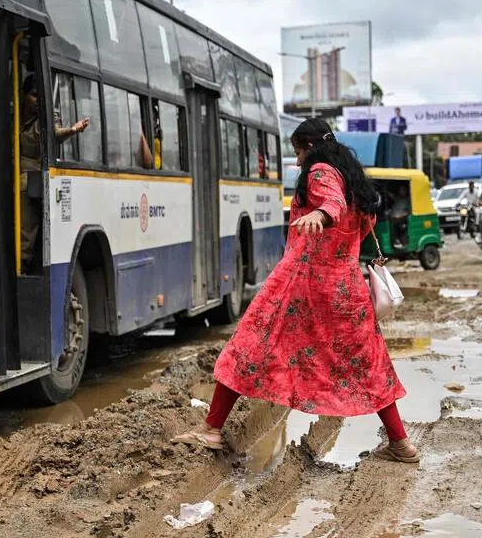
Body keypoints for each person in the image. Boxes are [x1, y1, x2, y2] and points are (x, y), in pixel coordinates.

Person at [171, 118, 418, 463]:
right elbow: (357, 223)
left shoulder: (320, 172)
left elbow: (332, 204)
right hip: (346, 290)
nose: (298, 161)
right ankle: (401, 444)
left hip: (300, 286)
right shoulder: (354, 181)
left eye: (297, 152)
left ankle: (211, 429)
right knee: (369, 364)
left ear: (310, 147)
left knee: (248, 347)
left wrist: (320, 215)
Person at [20, 74, 89, 269]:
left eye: (39, 96)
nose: (37, 100)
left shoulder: (48, 117)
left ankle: (23, 267)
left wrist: (72, 131)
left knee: (26, 234)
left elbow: (55, 133)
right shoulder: (13, 113)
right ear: (24, 96)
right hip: (5, 178)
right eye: (33, 95)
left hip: (28, 181)